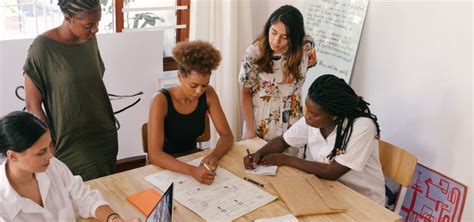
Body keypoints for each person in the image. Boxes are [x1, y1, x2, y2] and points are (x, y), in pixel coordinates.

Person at [243, 74, 385, 205]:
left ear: (334, 115)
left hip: (362, 201)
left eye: (313, 114)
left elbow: (331, 172)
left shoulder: (362, 127)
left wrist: (286, 159)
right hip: (326, 189)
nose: (307, 116)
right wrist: (259, 154)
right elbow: (283, 141)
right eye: (306, 110)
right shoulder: (313, 120)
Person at [23, 0, 118, 180]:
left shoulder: (89, 39)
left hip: (103, 132)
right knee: (78, 195)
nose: (95, 29)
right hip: (69, 140)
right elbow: (32, 104)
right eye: (89, 25)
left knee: (106, 190)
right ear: (68, 18)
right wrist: (48, 142)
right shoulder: (42, 48)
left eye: (98, 22)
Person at [0, 111, 140, 222]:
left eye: (49, 146)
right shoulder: (3, 205)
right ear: (13, 156)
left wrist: (113, 219)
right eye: (41, 152)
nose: (50, 155)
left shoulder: (51, 166)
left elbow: (83, 197)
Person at [147, 40, 234, 185]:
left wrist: (214, 155)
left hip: (192, 159)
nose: (199, 91)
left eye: (204, 86)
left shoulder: (209, 94)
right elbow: (155, 155)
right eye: (193, 85)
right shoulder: (160, 100)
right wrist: (192, 171)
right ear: (180, 76)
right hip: (164, 167)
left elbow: (227, 135)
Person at [238, 5, 317, 156]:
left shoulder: (306, 47)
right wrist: (250, 131)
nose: (276, 40)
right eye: (273, 32)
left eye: (284, 36)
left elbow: (307, 68)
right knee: (258, 166)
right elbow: (245, 93)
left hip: (293, 122)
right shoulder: (254, 53)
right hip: (262, 122)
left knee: (290, 172)